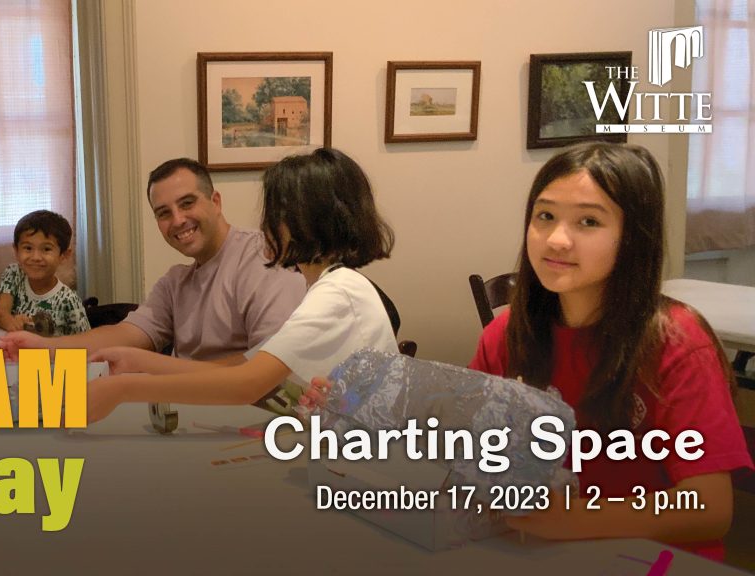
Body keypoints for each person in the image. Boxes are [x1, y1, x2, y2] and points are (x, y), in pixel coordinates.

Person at [466, 142, 752, 559]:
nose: (557, 240)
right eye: (544, 216)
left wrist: (574, 519)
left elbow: (708, 507)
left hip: (654, 559)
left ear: (633, 238)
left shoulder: (675, 342)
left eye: (588, 222)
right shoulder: (507, 334)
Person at [84, 147, 399, 422]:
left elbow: (246, 383)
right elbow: (253, 375)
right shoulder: (329, 287)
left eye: (275, 214)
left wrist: (125, 387)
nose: (265, 225)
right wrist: (140, 361)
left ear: (306, 222)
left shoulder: (338, 292)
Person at [0, 157, 306, 360]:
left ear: (215, 202)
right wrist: (43, 347)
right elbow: (126, 334)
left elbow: (269, 367)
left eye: (187, 203)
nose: (178, 220)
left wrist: (154, 373)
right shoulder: (176, 282)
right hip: (189, 415)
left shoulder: (264, 259)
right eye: (163, 213)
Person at [0, 210, 90, 336]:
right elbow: (1, 312)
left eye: (46, 249)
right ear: (16, 251)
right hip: (13, 351)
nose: (36, 257)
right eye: (28, 248)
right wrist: (12, 323)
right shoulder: (14, 273)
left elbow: (85, 345)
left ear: (64, 255)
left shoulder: (68, 301)